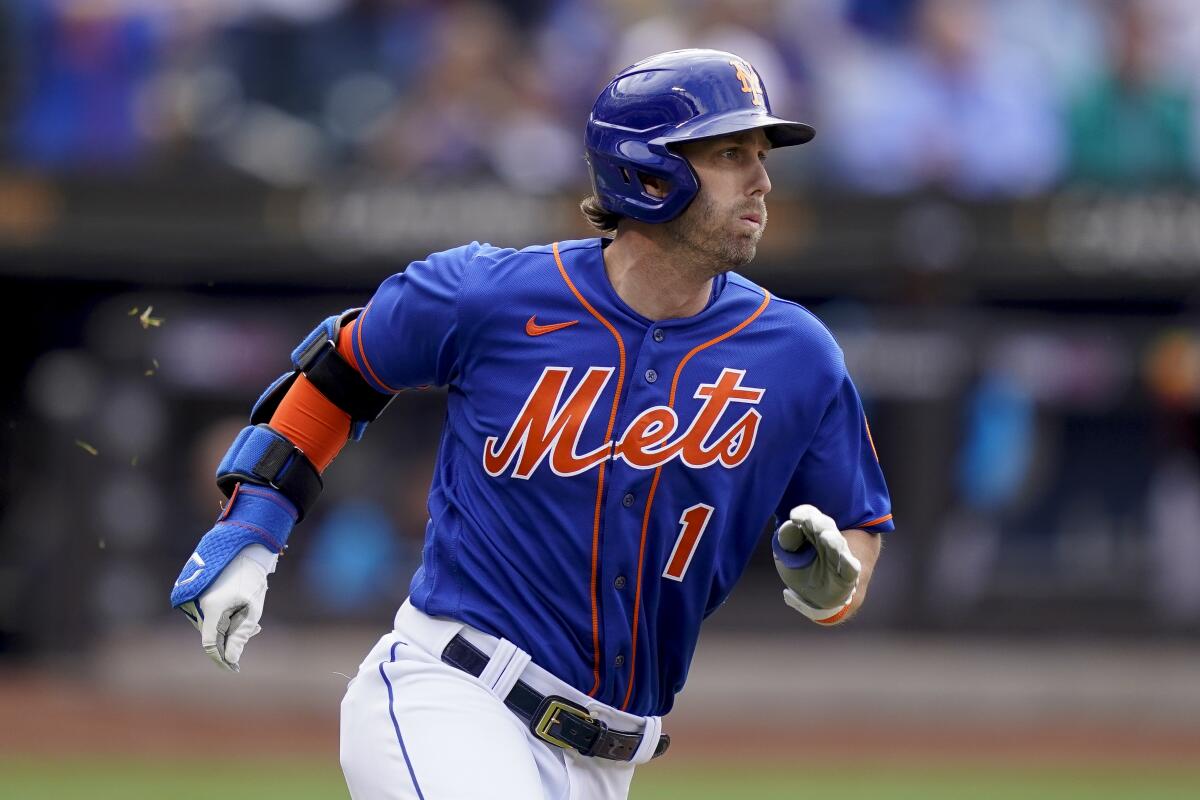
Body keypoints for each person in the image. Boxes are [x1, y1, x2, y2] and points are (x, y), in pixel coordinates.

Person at [170, 49, 894, 800]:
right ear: (649, 173)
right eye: (729, 153)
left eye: (761, 155)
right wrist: (252, 531)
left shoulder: (798, 355)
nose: (762, 179)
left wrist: (832, 585)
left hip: (608, 761)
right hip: (452, 699)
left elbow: (856, 528)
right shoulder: (490, 295)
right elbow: (338, 372)